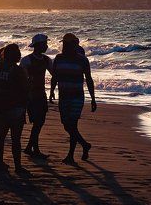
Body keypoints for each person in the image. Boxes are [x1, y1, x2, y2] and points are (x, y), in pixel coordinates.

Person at [50, 33, 97, 165]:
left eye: (67, 44)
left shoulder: (82, 60)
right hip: (63, 96)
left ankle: (70, 155)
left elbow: (88, 79)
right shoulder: (58, 58)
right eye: (64, 43)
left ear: (74, 45)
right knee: (66, 125)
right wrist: (51, 91)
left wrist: (93, 98)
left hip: (77, 97)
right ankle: (84, 144)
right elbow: (55, 76)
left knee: (72, 125)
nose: (65, 46)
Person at [0, 42, 28, 174]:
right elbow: (24, 89)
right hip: (15, 108)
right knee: (15, 139)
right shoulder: (17, 70)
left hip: (0, 106)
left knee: (0, 137)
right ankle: (18, 167)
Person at [20, 33, 53, 159]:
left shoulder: (46, 60)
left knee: (40, 122)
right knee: (37, 122)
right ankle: (34, 149)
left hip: (41, 94)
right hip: (31, 95)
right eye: (44, 44)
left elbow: (54, 73)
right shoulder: (27, 60)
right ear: (38, 45)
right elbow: (21, 78)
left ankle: (30, 147)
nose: (46, 46)